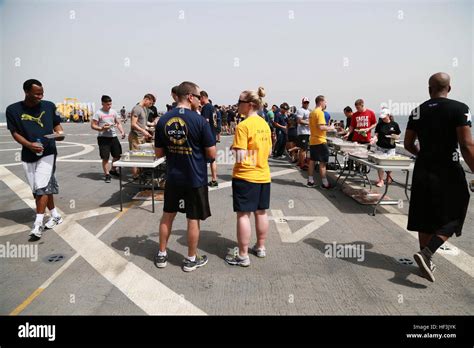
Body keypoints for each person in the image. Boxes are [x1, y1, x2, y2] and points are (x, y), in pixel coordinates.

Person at [404, 72, 474, 283]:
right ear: (449, 88)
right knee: (458, 209)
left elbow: (408, 144)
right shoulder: (460, 108)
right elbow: (466, 144)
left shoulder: (417, 111)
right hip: (448, 170)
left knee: (424, 215)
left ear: (429, 89)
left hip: (423, 169)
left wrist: (424, 155)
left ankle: (425, 259)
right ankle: (427, 254)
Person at [154, 81, 216, 272]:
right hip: (194, 177)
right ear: (190, 97)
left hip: (173, 176)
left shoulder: (163, 120)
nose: (200, 101)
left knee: (168, 216)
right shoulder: (199, 121)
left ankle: (162, 255)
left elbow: (158, 154)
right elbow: (212, 154)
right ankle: (190, 259)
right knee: (193, 219)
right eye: (198, 97)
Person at [6, 79, 65, 241]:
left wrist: (58, 134)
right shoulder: (12, 110)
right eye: (37, 93)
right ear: (26, 92)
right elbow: (15, 133)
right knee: (39, 189)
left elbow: (58, 128)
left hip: (48, 153)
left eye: (42, 93)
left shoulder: (49, 106)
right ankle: (55, 215)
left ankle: (37, 224)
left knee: (41, 188)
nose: (41, 96)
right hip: (28, 154)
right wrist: (29, 145)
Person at [225, 87, 271, 267]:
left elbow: (240, 157)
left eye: (240, 102)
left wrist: (234, 149)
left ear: (250, 105)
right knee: (261, 212)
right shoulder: (264, 124)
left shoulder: (243, 126)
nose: (237, 105)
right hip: (263, 174)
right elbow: (268, 151)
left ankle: (243, 255)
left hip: (245, 176)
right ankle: (260, 246)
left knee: (243, 215)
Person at [91, 95, 125, 183]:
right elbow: (93, 125)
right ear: (102, 103)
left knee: (117, 155)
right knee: (105, 158)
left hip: (113, 137)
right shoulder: (98, 113)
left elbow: (118, 123)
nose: (109, 106)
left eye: (110, 104)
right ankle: (107, 174)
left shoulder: (113, 112)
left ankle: (113, 170)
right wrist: (102, 128)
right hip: (103, 138)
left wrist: (122, 132)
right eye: (107, 104)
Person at [307, 95, 335, 189]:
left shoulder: (312, 113)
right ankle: (325, 183)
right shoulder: (319, 113)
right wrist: (331, 128)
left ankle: (310, 181)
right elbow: (321, 127)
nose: (326, 104)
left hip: (313, 140)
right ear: (321, 102)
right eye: (325, 102)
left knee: (312, 161)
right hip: (320, 140)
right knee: (322, 163)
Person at [372, 107, 401, 187]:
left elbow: (398, 135)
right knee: (380, 165)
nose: (383, 119)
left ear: (388, 115)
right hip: (380, 146)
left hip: (391, 147)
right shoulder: (380, 124)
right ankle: (381, 180)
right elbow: (376, 134)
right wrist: (373, 139)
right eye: (382, 117)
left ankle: (388, 178)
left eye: (384, 117)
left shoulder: (394, 124)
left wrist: (395, 137)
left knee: (389, 164)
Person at [129, 94, 155, 178]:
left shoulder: (143, 109)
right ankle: (135, 175)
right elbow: (133, 124)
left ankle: (140, 173)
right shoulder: (137, 108)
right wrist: (144, 131)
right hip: (135, 136)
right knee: (135, 156)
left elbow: (142, 122)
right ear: (146, 99)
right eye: (150, 103)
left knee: (141, 155)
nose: (150, 105)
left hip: (141, 136)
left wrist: (150, 127)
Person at [200, 91, 219, 187]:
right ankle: (214, 179)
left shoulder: (206, 108)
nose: (199, 101)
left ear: (203, 97)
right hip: (213, 135)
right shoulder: (213, 108)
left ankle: (203, 180)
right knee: (212, 159)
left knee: (203, 159)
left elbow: (205, 122)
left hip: (207, 136)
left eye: (200, 98)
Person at [296, 97, 311, 170]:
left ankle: (300, 162)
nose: (306, 104)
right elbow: (299, 121)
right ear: (302, 103)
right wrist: (309, 123)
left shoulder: (308, 111)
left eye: (307, 102)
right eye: (305, 102)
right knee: (303, 149)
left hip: (307, 132)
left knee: (302, 149)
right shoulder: (300, 110)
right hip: (303, 132)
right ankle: (302, 164)